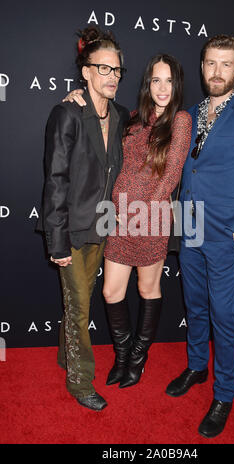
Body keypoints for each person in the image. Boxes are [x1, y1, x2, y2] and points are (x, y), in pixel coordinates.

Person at [165, 35, 234, 438]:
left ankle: (224, 393)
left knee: (223, 316)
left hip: (224, 235)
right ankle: (197, 366)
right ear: (202, 67)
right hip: (189, 228)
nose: (216, 71)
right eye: (210, 63)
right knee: (194, 305)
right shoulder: (189, 114)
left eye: (225, 64)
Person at [64, 54, 192, 389]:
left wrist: (141, 212)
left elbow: (171, 177)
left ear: (176, 84)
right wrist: (76, 98)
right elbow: (101, 115)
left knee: (148, 288)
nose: (162, 88)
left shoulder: (180, 121)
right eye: (155, 80)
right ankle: (122, 357)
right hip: (115, 219)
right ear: (147, 84)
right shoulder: (132, 118)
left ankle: (137, 358)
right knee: (110, 291)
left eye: (168, 80)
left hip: (152, 220)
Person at [37, 26, 130, 411]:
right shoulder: (67, 114)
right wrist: (56, 241)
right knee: (78, 308)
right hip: (72, 230)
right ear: (86, 72)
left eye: (117, 70)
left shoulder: (123, 115)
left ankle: (65, 356)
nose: (112, 77)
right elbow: (55, 180)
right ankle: (80, 382)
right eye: (103, 69)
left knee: (83, 299)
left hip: (104, 226)